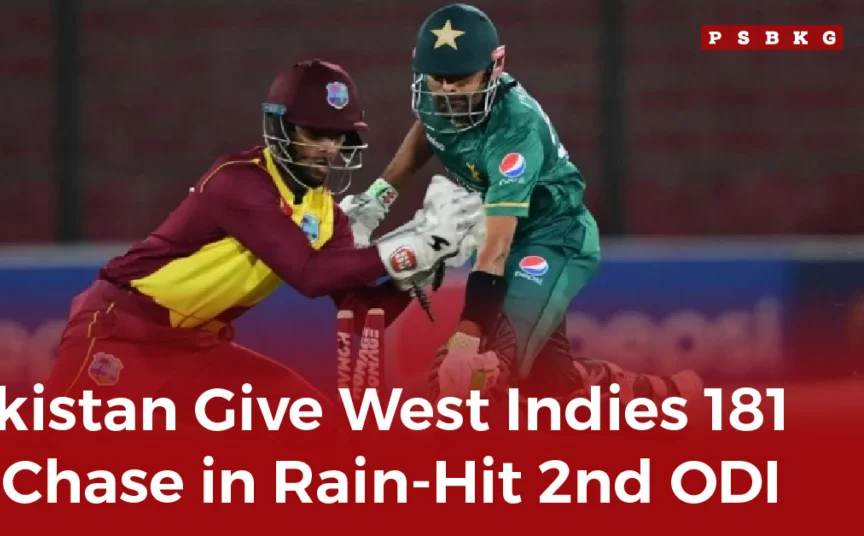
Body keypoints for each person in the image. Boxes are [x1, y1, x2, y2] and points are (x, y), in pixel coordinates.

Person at [44, 59, 483, 428]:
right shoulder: (238, 182)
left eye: (337, 137)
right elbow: (309, 275)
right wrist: (413, 244)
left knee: (321, 434)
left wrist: (421, 269)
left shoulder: (324, 211)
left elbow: (364, 311)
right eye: (315, 134)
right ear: (281, 129)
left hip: (197, 346)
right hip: (120, 329)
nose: (329, 148)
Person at [338, 4, 702, 403]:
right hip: (497, 229)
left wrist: (467, 335)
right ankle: (668, 397)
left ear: (494, 68)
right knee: (550, 384)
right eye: (437, 79)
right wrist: (378, 198)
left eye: (459, 80)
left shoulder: (515, 130)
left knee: (486, 370)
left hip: (552, 240)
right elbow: (429, 130)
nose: (447, 92)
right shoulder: (438, 94)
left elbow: (496, 249)